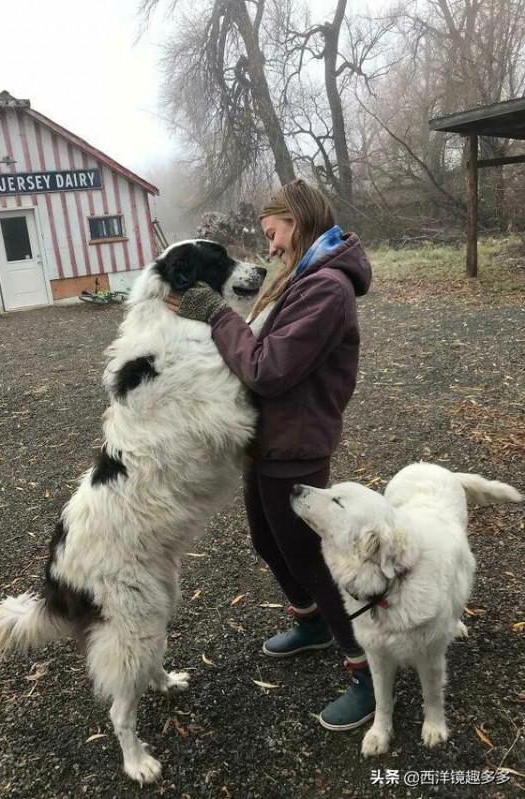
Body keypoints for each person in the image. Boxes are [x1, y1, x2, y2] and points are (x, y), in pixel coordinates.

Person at [165, 179, 374, 730]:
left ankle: (369, 669)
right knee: (267, 541)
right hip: (266, 437)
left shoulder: (326, 288)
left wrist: (216, 315)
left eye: (274, 233)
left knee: (310, 556)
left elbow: (267, 367)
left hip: (296, 441)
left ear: (297, 222)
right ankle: (311, 624)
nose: (273, 246)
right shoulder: (301, 278)